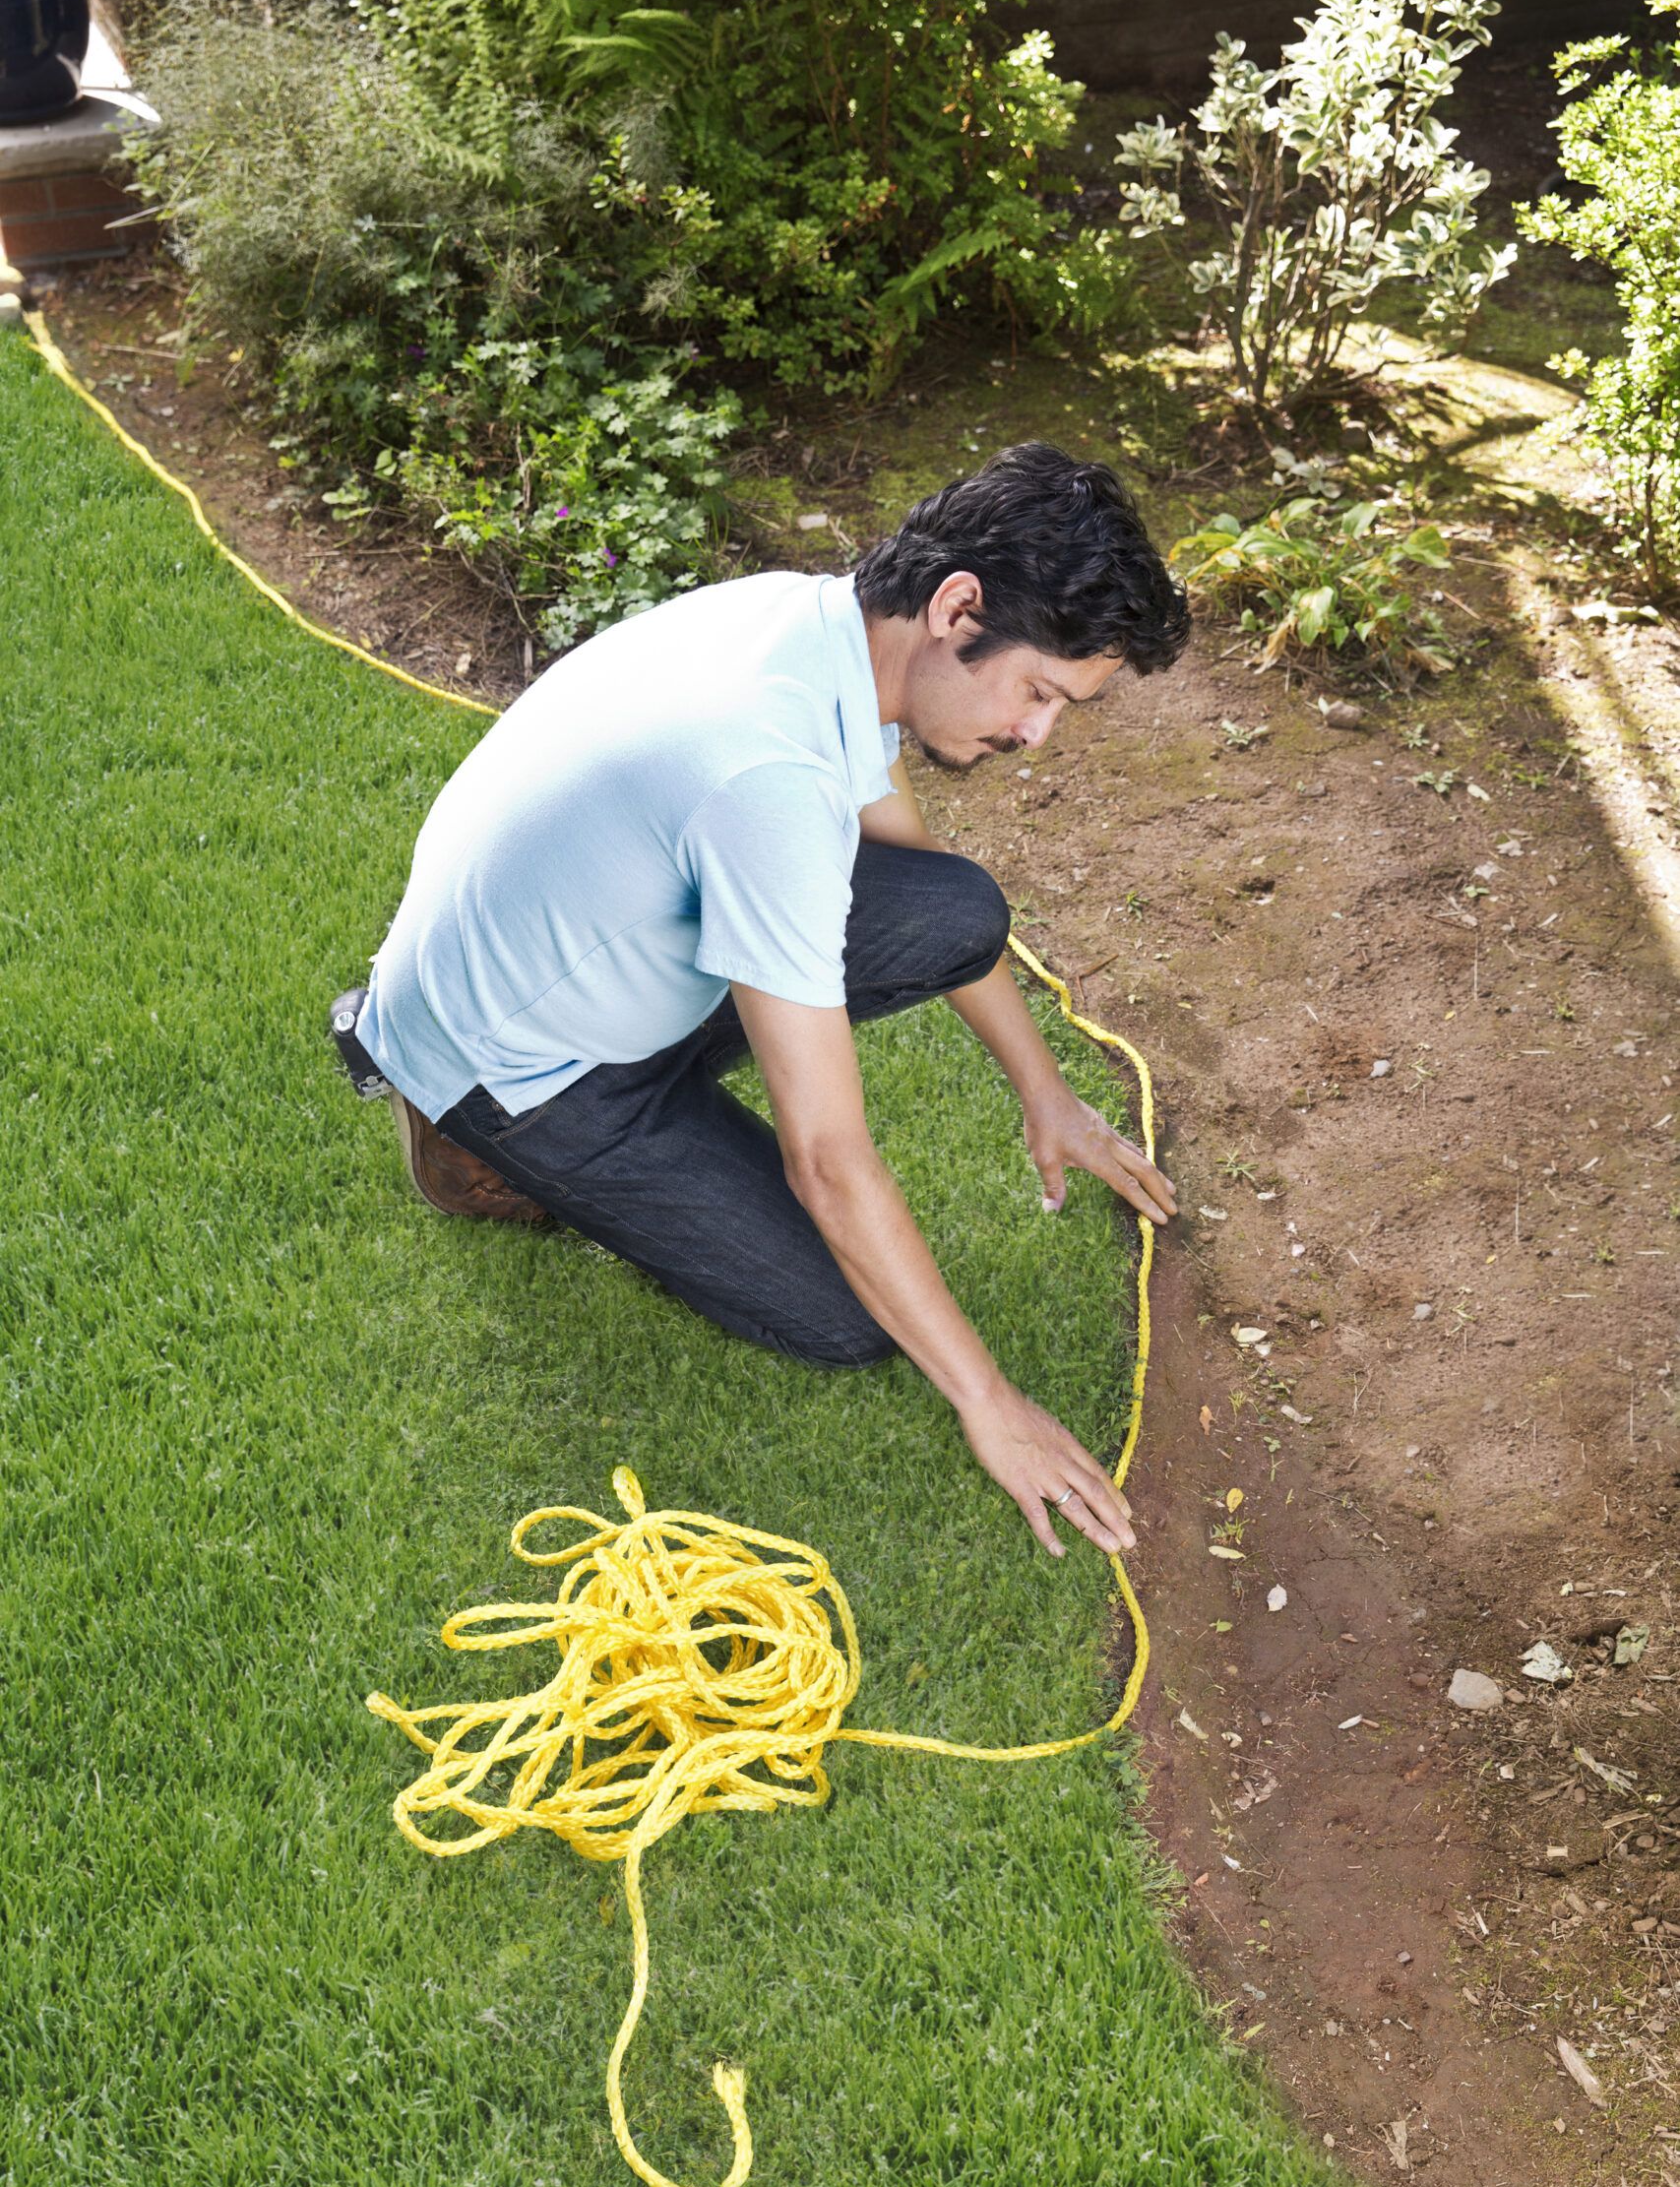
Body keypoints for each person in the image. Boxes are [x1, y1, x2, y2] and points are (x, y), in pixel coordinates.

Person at [330, 441, 1189, 1559]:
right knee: (840, 1318)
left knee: (957, 912)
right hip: (521, 1070)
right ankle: (457, 1137)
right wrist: (990, 1400)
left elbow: (908, 867)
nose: (1036, 735)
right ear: (957, 607)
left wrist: (1050, 1095)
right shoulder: (764, 778)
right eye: (1037, 691)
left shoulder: (816, 625)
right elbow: (828, 1158)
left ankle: (600, 1078)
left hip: (596, 958)